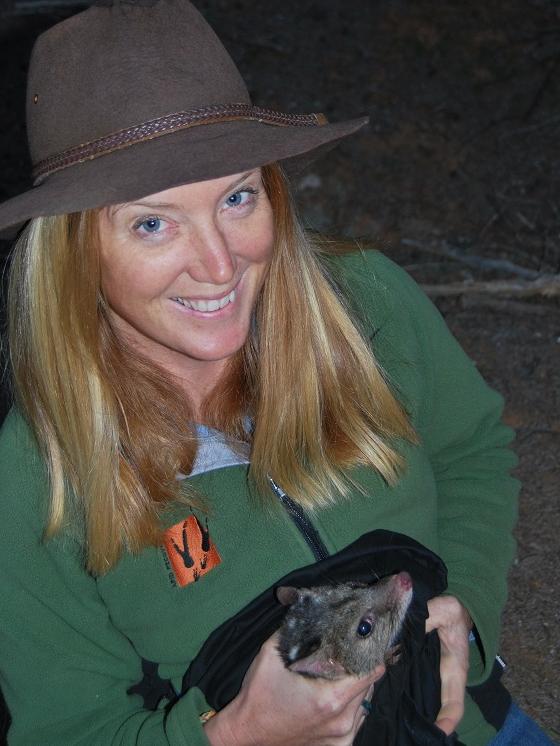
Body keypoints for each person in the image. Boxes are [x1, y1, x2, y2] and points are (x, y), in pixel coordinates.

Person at [0, 1, 554, 745]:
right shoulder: (37, 472)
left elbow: (472, 452)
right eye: (153, 222)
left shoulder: (366, 301)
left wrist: (468, 610)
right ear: (73, 257)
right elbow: (66, 730)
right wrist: (229, 736)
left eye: (237, 196)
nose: (221, 264)